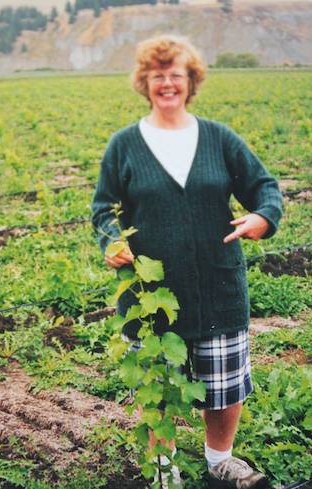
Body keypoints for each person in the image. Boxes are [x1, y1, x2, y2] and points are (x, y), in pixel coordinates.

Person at [90, 35, 282, 489]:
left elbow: (265, 187)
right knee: (159, 389)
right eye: (158, 75)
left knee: (224, 386)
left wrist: (262, 216)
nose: (167, 83)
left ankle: (220, 462)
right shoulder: (125, 146)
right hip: (150, 297)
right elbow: (103, 209)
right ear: (145, 82)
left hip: (219, 290)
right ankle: (164, 469)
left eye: (176, 74)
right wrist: (110, 240)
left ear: (191, 80)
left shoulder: (219, 138)